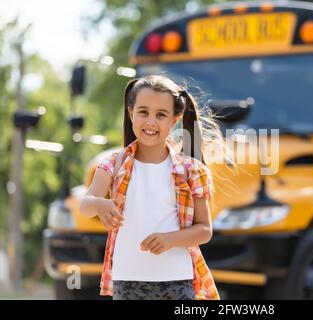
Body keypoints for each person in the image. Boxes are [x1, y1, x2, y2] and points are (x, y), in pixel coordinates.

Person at [80, 75, 229, 300]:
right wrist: (100, 204)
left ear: (175, 120)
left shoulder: (192, 171)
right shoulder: (113, 163)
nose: (151, 121)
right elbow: (85, 206)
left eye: (161, 115)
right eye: (143, 112)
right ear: (131, 113)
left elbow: (204, 231)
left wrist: (171, 239)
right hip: (126, 279)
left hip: (177, 280)